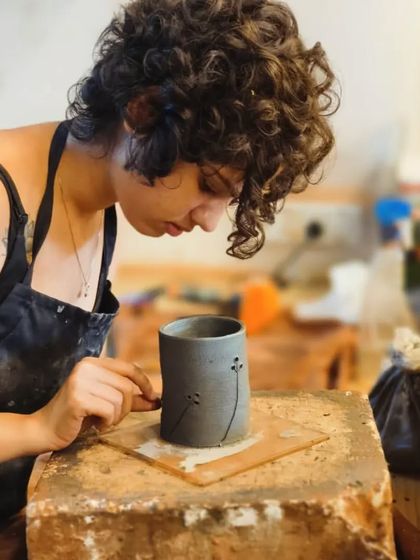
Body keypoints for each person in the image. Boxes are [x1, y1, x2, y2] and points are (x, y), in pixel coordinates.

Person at [0, 0, 338, 518]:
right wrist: (35, 427)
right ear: (140, 112)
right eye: (207, 185)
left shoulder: (105, 207)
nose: (207, 220)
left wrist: (93, 393)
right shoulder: (5, 197)